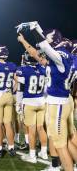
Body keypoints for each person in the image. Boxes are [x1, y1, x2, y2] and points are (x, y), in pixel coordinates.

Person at [17, 22, 77, 171]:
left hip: (58, 104)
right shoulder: (67, 58)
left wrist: (33, 27)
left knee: (60, 145)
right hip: (64, 100)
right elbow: (40, 53)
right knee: (68, 140)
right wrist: (37, 28)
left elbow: (44, 46)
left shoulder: (61, 58)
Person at [16, 51, 48, 163]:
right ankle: (44, 153)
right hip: (42, 102)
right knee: (41, 128)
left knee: (31, 130)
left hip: (29, 102)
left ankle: (32, 155)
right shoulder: (43, 69)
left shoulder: (23, 70)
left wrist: (18, 104)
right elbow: (46, 89)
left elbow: (19, 88)